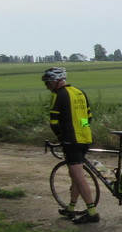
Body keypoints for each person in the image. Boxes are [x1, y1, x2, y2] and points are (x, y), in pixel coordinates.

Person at [42, 67, 99, 223]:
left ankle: (92, 212)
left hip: (71, 141)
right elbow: (88, 117)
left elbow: (54, 122)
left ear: (55, 81)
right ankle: (71, 207)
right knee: (74, 175)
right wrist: (82, 129)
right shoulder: (80, 92)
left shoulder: (58, 95)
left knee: (79, 177)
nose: (47, 87)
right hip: (85, 138)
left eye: (48, 83)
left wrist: (62, 138)